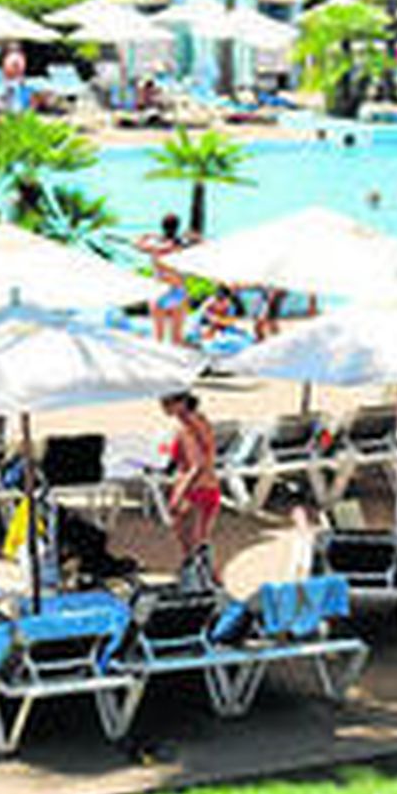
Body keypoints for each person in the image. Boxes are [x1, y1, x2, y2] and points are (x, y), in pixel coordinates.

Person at [162, 391, 221, 578]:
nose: (162, 405)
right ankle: (210, 584)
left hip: (194, 490)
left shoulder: (188, 426)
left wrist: (178, 494)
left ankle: (203, 585)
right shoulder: (200, 420)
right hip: (209, 488)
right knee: (200, 547)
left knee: (192, 550)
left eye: (167, 401)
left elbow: (196, 465)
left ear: (182, 403)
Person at [136, 213, 197, 346]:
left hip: (161, 290)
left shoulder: (157, 246)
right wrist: (193, 237)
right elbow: (203, 244)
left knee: (159, 338)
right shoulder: (180, 246)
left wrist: (147, 235)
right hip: (176, 290)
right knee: (175, 339)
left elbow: (138, 245)